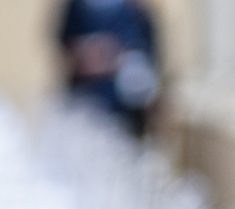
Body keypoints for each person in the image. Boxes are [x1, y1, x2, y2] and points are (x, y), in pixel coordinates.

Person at [57, 0, 161, 137]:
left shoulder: (134, 10)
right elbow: (66, 47)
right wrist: (90, 54)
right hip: (88, 105)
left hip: (126, 110)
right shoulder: (78, 8)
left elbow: (147, 56)